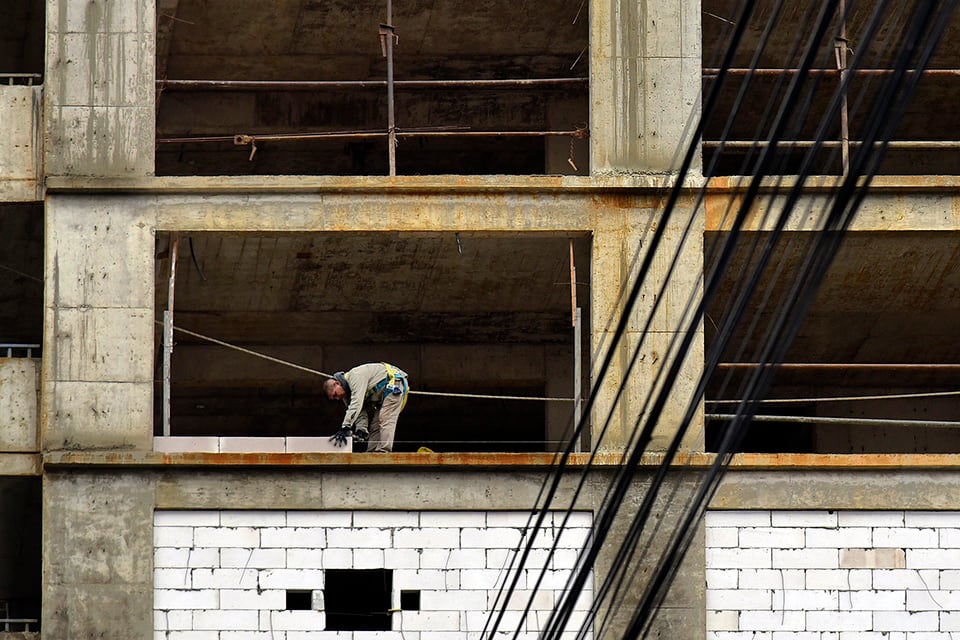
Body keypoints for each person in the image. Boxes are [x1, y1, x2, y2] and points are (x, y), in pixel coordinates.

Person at [324, 362, 409, 452]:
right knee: (375, 425)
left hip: (394, 384)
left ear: (337, 383)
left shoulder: (355, 376)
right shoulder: (346, 395)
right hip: (383, 393)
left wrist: (345, 427)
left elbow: (356, 404)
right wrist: (361, 429)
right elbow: (359, 412)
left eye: (335, 394)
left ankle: (384, 451)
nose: (337, 398)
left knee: (385, 418)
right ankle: (371, 453)